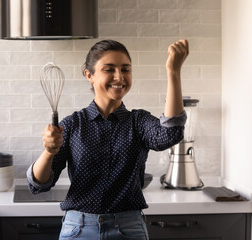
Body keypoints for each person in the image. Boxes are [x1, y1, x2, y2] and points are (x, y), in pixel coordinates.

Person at [27, 39, 189, 240]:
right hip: (78, 229)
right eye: (109, 69)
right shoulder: (72, 125)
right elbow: (40, 184)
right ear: (90, 75)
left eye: (125, 69)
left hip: (128, 229)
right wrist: (49, 152)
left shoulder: (138, 122)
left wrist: (173, 71)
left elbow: (170, 134)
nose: (119, 77)